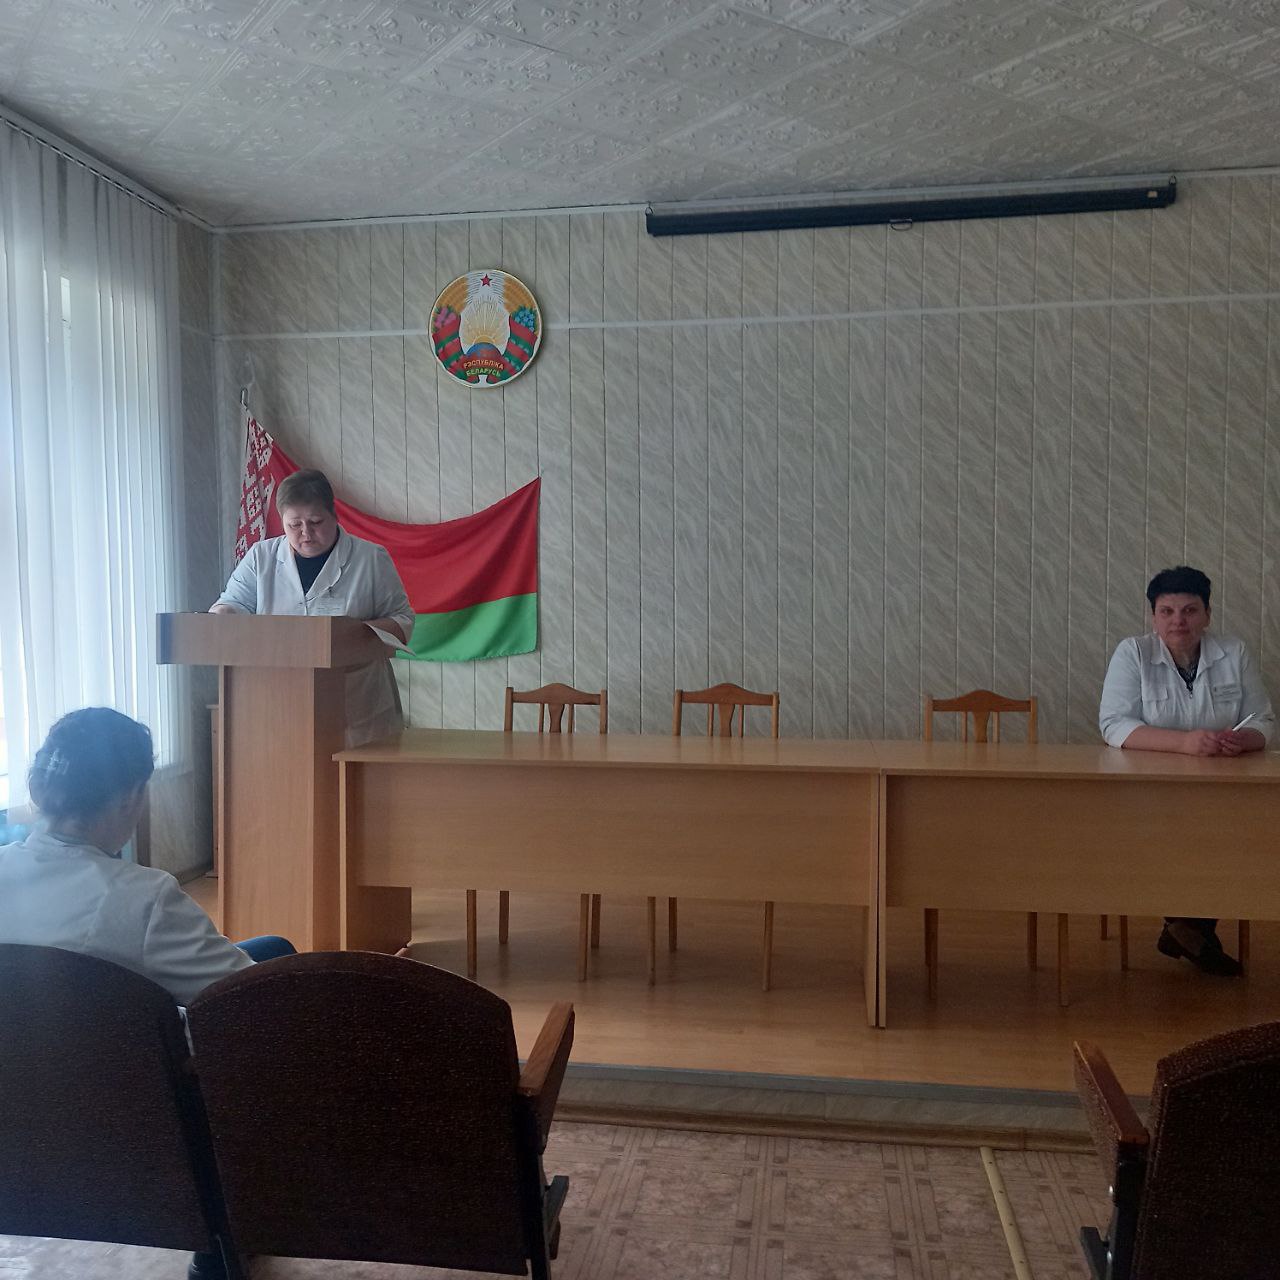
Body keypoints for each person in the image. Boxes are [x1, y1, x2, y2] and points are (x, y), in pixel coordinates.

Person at [0, 707, 294, 1004]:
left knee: (273, 946)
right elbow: (254, 998)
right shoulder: (146, 899)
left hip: (29, 1028)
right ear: (130, 798)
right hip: (125, 1031)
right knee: (282, 968)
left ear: (37, 789)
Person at [1099, 565, 1274, 976]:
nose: (1178, 621)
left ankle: (1186, 928)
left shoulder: (1234, 652)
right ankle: (1190, 929)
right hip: (1150, 789)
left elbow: (1264, 721)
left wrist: (1245, 740)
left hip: (1224, 788)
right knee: (1181, 837)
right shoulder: (1133, 653)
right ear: (1153, 617)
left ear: (1207, 615)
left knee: (1241, 834)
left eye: (1190, 610)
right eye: (1167, 611)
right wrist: (1183, 743)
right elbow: (1113, 724)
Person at [210, 469, 413, 747]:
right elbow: (231, 604)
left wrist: (349, 635)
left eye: (316, 522)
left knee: (352, 772)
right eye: (294, 525)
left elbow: (403, 620)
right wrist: (224, 615)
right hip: (280, 700)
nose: (306, 533)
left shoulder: (371, 559)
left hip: (357, 701)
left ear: (334, 515)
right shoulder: (261, 558)